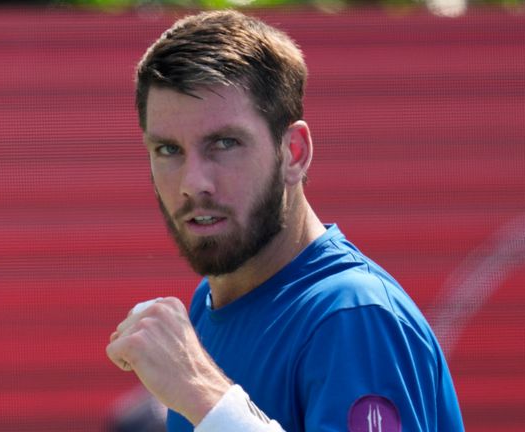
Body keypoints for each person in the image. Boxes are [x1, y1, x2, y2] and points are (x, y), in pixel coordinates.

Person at [106, 10, 464, 432]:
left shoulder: (354, 316)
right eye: (168, 149)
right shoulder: (210, 305)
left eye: (225, 143)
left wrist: (202, 392)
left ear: (293, 153)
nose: (192, 182)